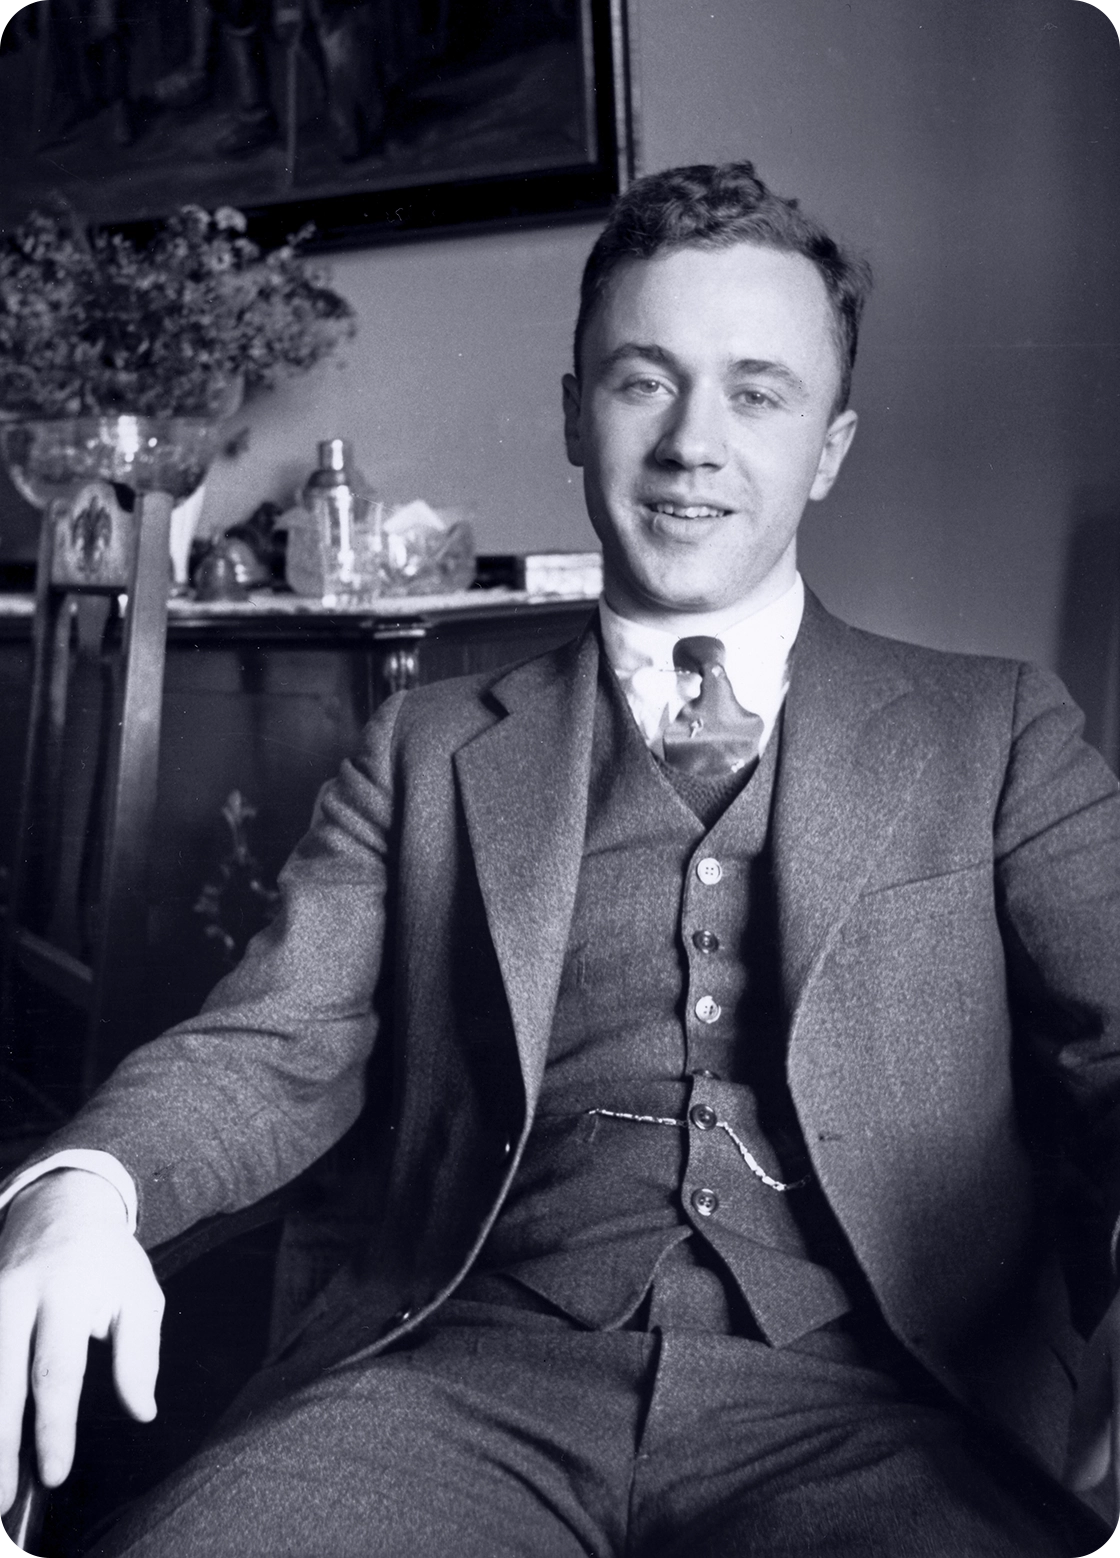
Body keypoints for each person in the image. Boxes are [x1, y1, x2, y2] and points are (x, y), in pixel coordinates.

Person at [0, 160, 1119, 1557]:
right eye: (643, 381)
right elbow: (266, 1044)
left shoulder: (995, 729)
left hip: (883, 1410)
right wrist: (79, 1188)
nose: (693, 443)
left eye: (758, 392)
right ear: (576, 419)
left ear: (829, 446)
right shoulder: (420, 746)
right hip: (463, 1383)